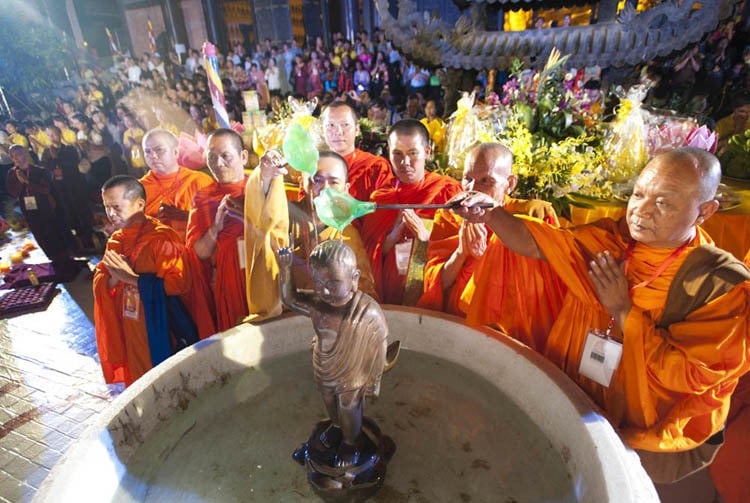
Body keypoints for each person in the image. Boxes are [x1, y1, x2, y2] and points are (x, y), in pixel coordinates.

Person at [456, 147, 750, 485]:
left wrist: (623, 311)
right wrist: (492, 215)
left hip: (648, 421)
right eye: (639, 194)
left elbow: (689, 376)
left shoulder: (720, 285)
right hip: (585, 386)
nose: (641, 211)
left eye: (663, 203)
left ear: (704, 212)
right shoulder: (613, 240)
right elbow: (542, 244)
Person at [418, 143, 564, 352]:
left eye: (486, 181)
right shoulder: (450, 217)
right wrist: (461, 253)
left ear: (510, 183)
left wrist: (490, 255)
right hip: (458, 327)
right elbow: (436, 283)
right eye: (468, 178)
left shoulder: (536, 215)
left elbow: (552, 288)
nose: (472, 189)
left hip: (515, 333)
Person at [278, 240, 389, 467]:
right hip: (324, 364)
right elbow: (289, 299)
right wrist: (285, 269)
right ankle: (337, 426)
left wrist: (375, 380)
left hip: (353, 369)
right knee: (329, 401)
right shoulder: (316, 304)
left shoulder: (367, 311)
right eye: (317, 282)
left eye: (333, 283)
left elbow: (381, 342)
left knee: (349, 407)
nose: (324, 290)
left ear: (354, 279)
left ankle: (352, 442)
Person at [93, 176, 203, 386]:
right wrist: (114, 279)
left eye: (116, 206)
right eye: (107, 207)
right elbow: (102, 280)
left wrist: (133, 279)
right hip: (130, 324)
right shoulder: (117, 240)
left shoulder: (162, 238)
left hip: (158, 326)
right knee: (138, 383)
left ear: (140, 204)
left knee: (165, 383)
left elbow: (180, 284)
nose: (111, 213)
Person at [186, 128, 288, 331]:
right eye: (211, 157)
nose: (218, 163)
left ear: (243, 156)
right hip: (230, 280)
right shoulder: (203, 197)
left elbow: (280, 229)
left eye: (225, 155)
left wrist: (250, 213)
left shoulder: (262, 182)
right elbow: (199, 253)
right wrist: (216, 228)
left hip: (264, 271)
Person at [359, 119, 462, 305]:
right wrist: (391, 238)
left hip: (431, 297)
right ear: (388, 153)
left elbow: (460, 250)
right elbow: (366, 259)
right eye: (397, 154)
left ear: (427, 152)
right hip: (390, 297)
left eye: (413, 153)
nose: (405, 162)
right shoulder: (381, 199)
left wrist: (425, 237)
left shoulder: (448, 192)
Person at [288, 151, 377, 299]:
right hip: (291, 315)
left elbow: (364, 288)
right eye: (317, 180)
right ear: (302, 182)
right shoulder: (286, 217)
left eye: (334, 182)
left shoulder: (348, 233)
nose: (325, 189)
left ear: (345, 188)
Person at [139, 129, 213, 241]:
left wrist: (185, 216)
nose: (153, 156)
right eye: (147, 152)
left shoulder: (199, 181)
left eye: (159, 150)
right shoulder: (139, 189)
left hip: (196, 250)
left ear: (175, 152)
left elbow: (218, 221)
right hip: (156, 252)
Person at [6, 144, 71, 263]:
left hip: (44, 205)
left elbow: (45, 189)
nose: (17, 158)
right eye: (13, 156)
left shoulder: (39, 170)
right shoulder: (12, 173)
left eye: (19, 154)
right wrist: (20, 182)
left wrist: (27, 181)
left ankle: (63, 255)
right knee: (38, 231)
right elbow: (13, 192)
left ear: (25, 153)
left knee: (51, 229)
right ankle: (51, 257)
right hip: (28, 207)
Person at [321, 101, 392, 203]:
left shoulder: (376, 166)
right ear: (323, 130)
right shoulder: (315, 167)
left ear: (357, 129)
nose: (338, 132)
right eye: (331, 125)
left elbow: (384, 209)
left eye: (345, 125)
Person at [41, 125, 96, 253]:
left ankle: (90, 242)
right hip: (59, 191)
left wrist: (57, 159)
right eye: (49, 135)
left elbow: (73, 166)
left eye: (54, 134)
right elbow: (46, 169)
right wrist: (53, 161)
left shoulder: (70, 149)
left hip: (74, 187)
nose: (52, 138)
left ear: (60, 134)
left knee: (82, 213)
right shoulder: (46, 153)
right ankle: (77, 245)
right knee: (69, 216)